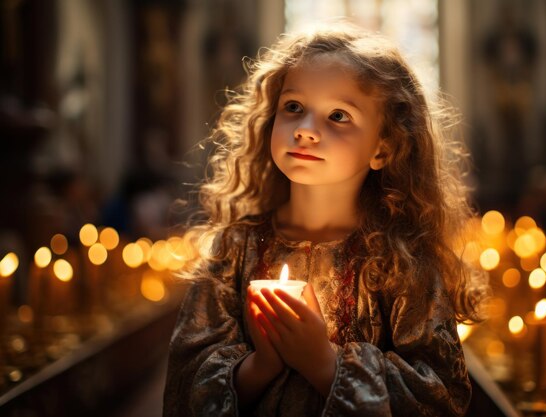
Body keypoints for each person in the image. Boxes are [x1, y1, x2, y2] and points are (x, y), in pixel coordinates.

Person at [163, 22, 487, 417]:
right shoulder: (234, 247)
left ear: (384, 148)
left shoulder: (401, 259)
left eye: (338, 115)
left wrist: (324, 362)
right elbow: (186, 384)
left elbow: (442, 395)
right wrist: (260, 365)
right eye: (294, 108)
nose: (305, 131)